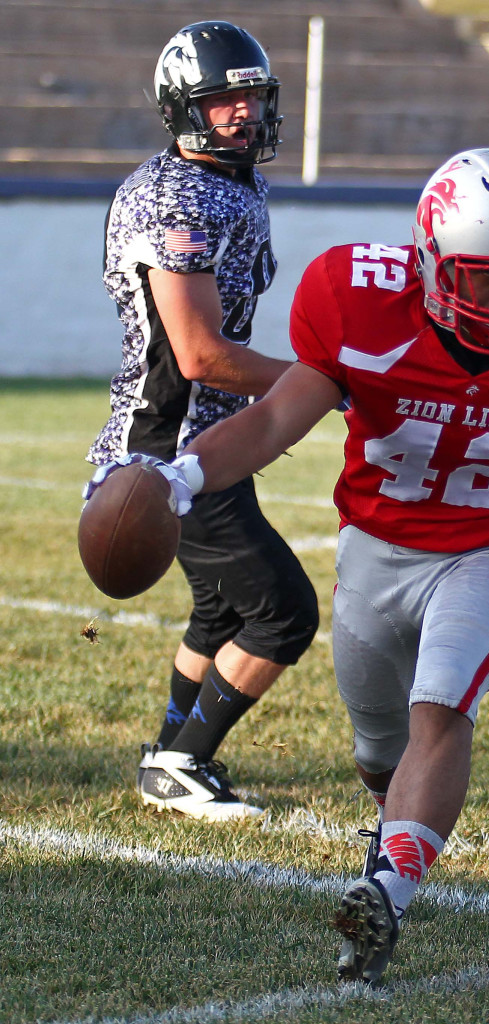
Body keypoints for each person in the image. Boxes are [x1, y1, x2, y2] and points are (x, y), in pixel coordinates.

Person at [86, 147, 489, 981]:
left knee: (441, 702)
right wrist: (182, 475)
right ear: (428, 260)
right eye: (485, 274)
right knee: (380, 751)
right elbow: (277, 419)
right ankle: (394, 831)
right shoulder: (359, 302)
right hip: (377, 551)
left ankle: (383, 895)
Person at [85, 21, 319, 822]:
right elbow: (199, 355)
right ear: (183, 108)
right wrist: (319, 383)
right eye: (222, 102)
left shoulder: (232, 180)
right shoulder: (176, 195)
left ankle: (165, 756)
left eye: (251, 96)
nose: (243, 114)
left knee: (222, 609)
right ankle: (185, 759)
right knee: (282, 612)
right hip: (170, 448)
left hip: (210, 437)